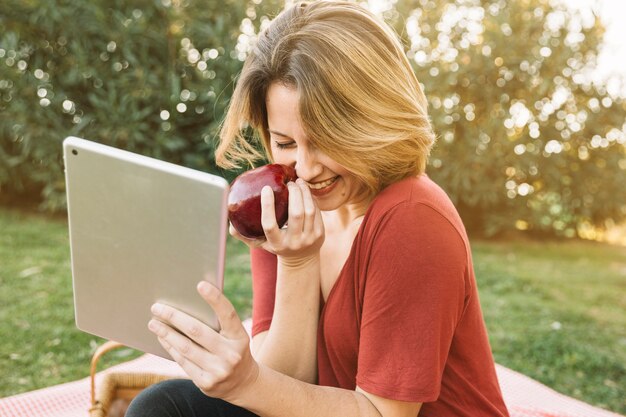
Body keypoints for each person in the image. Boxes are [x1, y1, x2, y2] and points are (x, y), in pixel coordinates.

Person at [127, 1, 510, 416]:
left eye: (327, 139)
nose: (306, 170)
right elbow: (280, 387)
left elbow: (383, 414)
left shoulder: (412, 219)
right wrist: (297, 263)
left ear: (373, 124)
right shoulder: (279, 200)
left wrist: (246, 380)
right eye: (286, 143)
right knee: (162, 407)